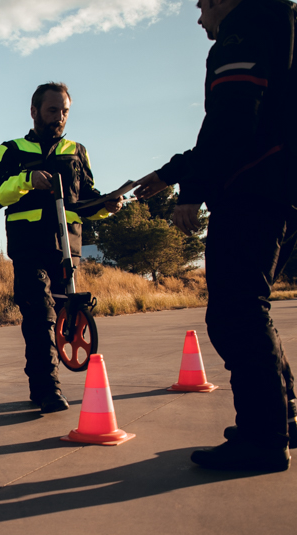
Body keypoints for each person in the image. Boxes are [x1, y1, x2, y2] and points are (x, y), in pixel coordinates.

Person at [135, 0, 296, 472]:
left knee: (234, 314)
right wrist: (173, 171)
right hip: (280, 189)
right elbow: (251, 123)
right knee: (252, 309)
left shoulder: (244, 30)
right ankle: (282, 418)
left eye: (203, 3)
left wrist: (193, 188)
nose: (200, 13)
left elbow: (233, 120)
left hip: (253, 191)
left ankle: (263, 439)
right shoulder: (280, 26)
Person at [0, 83, 122, 413]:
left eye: (65, 111)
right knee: (38, 315)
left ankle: (46, 384)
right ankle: (47, 389)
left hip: (67, 249)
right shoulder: (11, 150)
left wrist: (107, 206)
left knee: (63, 316)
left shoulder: (76, 151)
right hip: (28, 247)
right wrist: (27, 181)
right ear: (34, 112)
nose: (59, 117)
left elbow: (86, 199)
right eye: (52, 110)